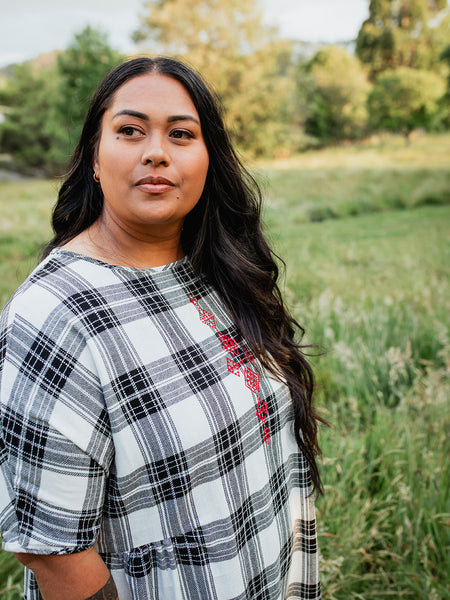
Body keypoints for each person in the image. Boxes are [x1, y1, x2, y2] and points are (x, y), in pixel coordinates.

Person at [0, 56, 322, 600]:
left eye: (180, 133)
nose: (156, 151)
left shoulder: (215, 273)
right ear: (94, 160)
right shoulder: (56, 312)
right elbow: (50, 548)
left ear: (207, 160)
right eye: (129, 131)